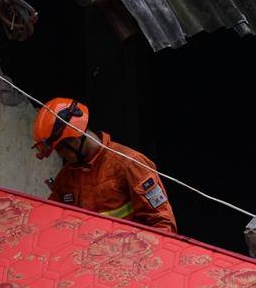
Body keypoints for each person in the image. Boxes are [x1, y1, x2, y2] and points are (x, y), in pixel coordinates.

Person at [33, 97, 177, 233]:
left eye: (60, 149)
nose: (61, 156)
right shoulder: (66, 179)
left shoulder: (130, 164)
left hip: (130, 254)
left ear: (75, 138)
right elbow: (50, 223)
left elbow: (162, 223)